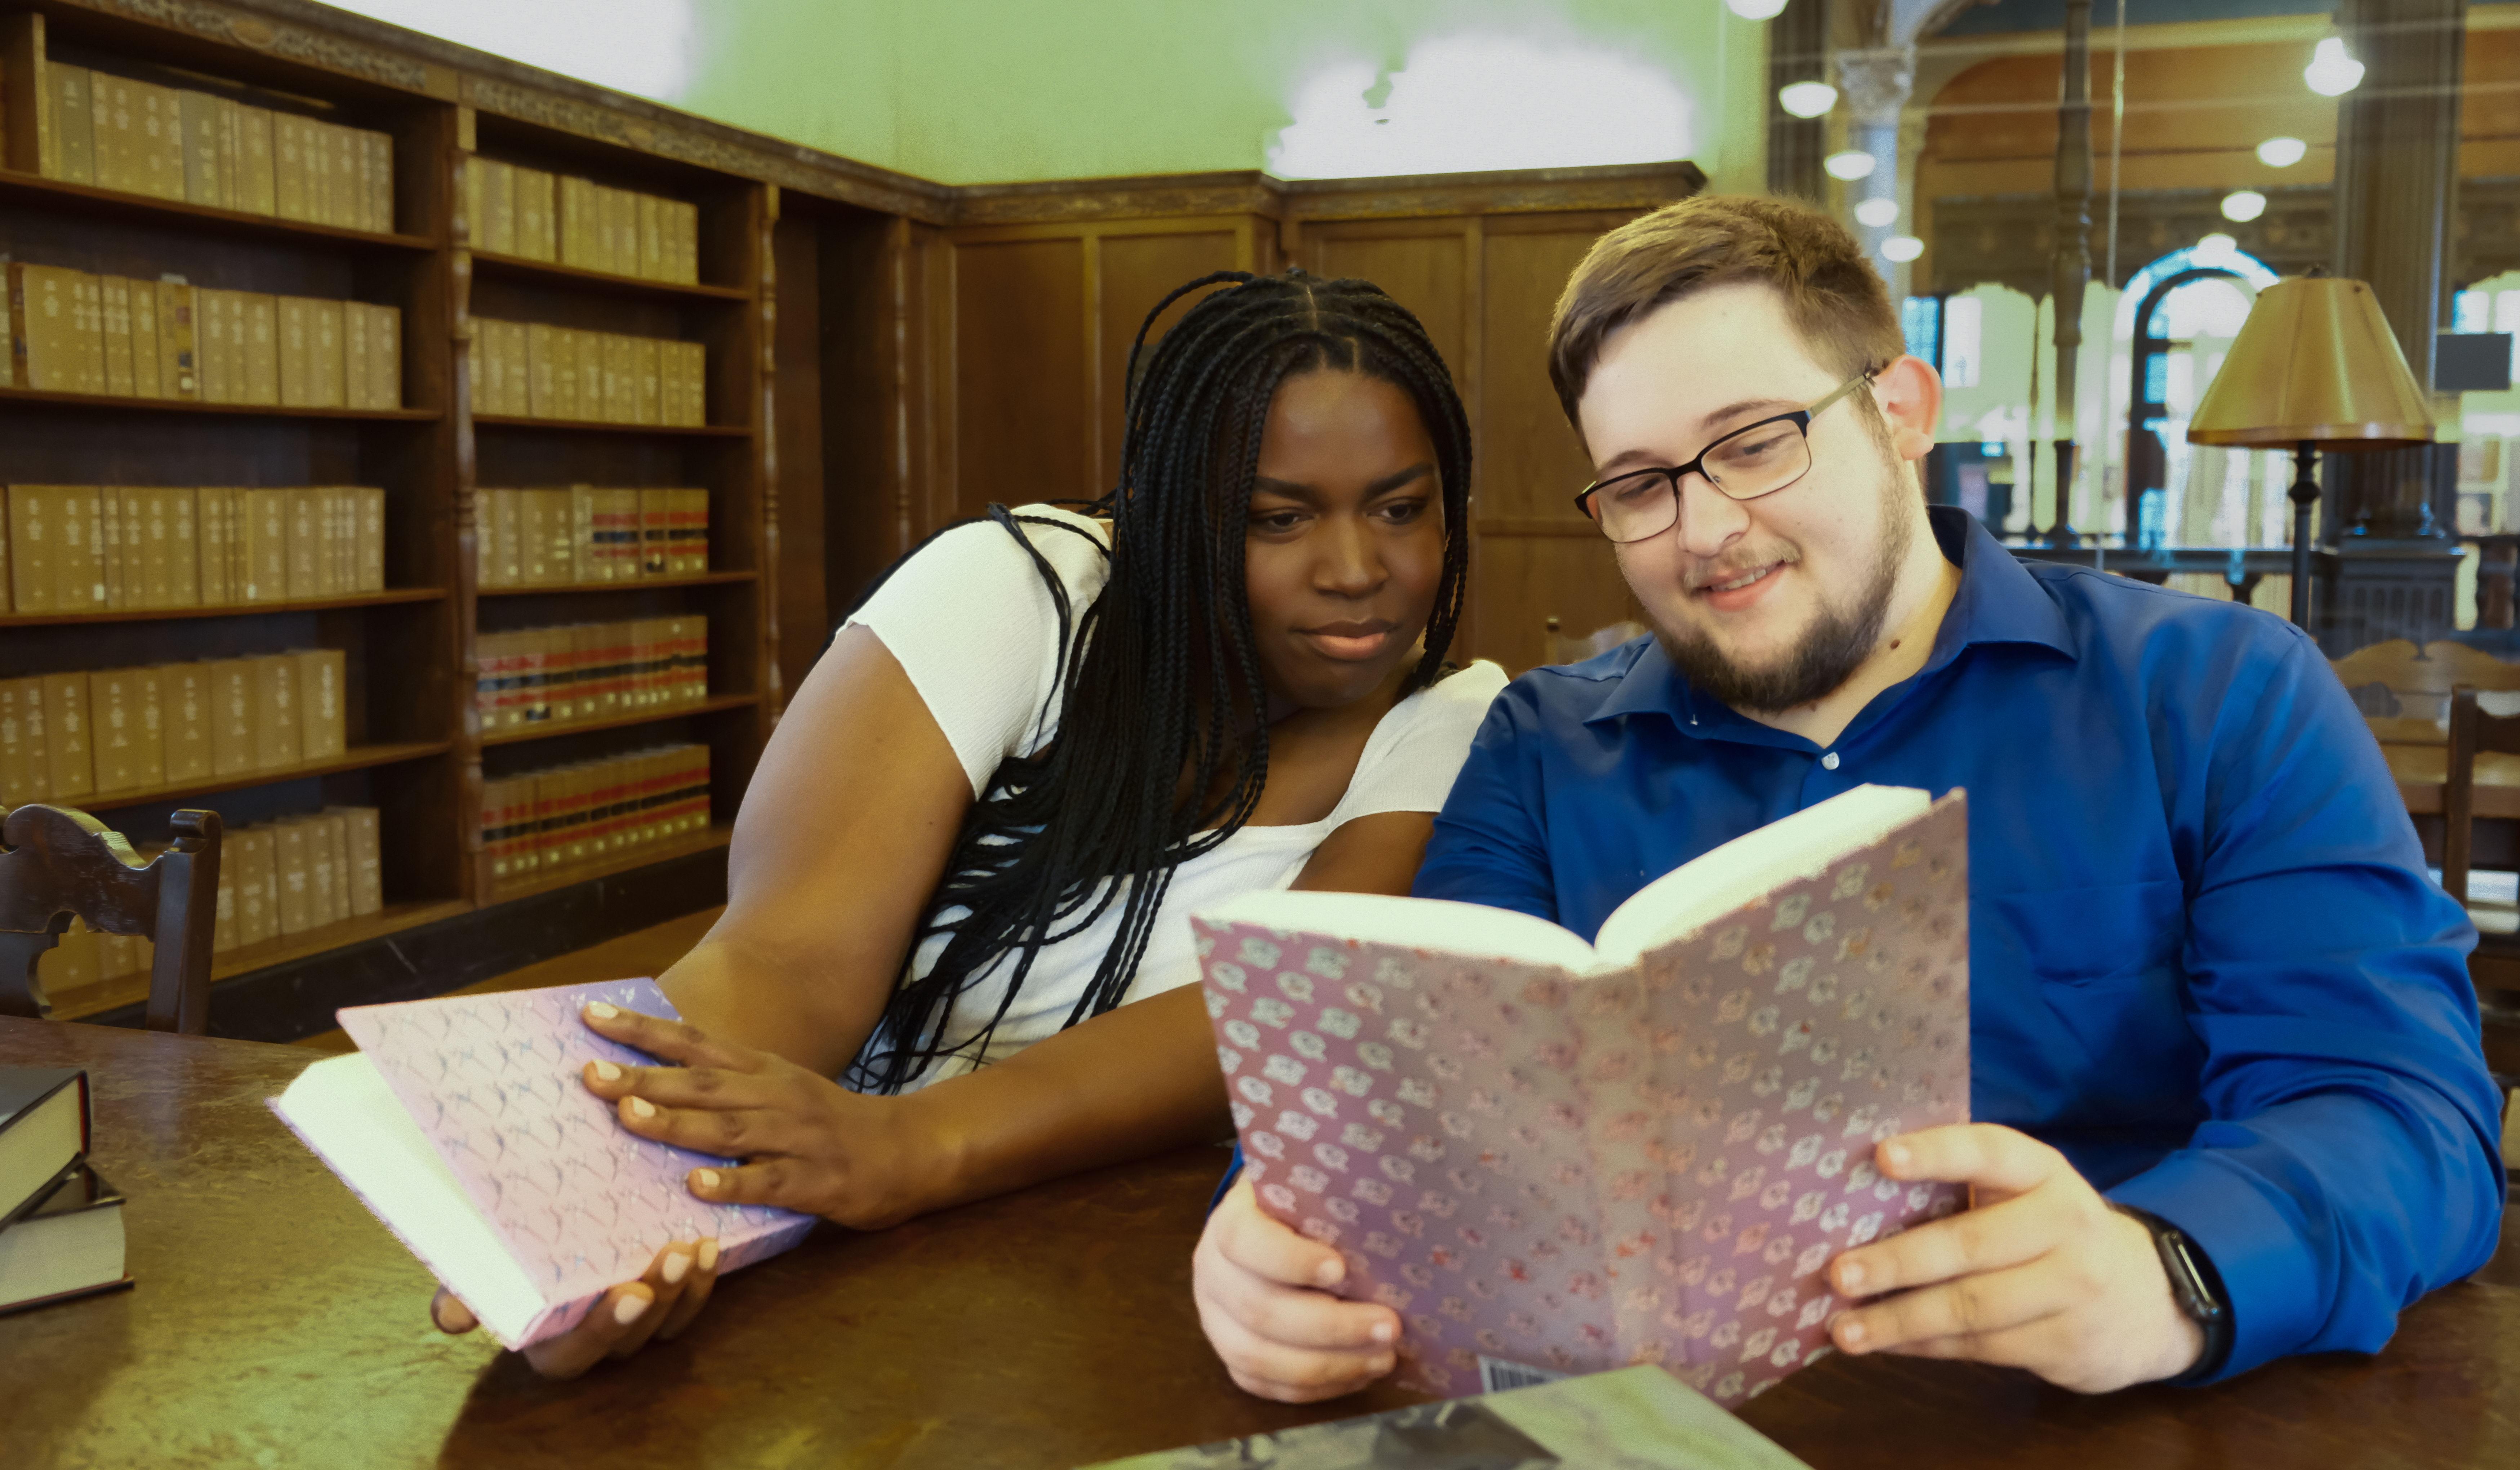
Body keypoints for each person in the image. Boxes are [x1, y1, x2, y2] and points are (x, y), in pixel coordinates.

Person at [1193, 196, 2506, 1404]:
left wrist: (2163, 1270)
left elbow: (2403, 1114)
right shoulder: (1541, 747)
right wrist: (1269, 1248)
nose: (1705, 530)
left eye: (1754, 444)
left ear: (1900, 411)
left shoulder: (2215, 693)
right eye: (1640, 484)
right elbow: (1404, 1095)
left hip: (2087, 1412)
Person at [430, 269, 1509, 1376]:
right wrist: (612, 1177)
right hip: (832, 1258)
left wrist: (908, 1146)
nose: (1356, 572)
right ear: (1176, 514)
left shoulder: (1460, 721)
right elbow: (786, 957)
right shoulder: (1022, 592)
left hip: (1136, 1298)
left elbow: (1283, 1008)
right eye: (1276, 519)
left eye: (1400, 509)